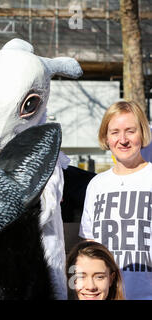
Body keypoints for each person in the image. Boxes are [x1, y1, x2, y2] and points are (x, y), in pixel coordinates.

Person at [79, 100, 152, 300]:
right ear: (106, 137)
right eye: (115, 132)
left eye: (130, 131)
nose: (123, 139)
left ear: (143, 133)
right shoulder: (96, 184)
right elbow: (90, 245)